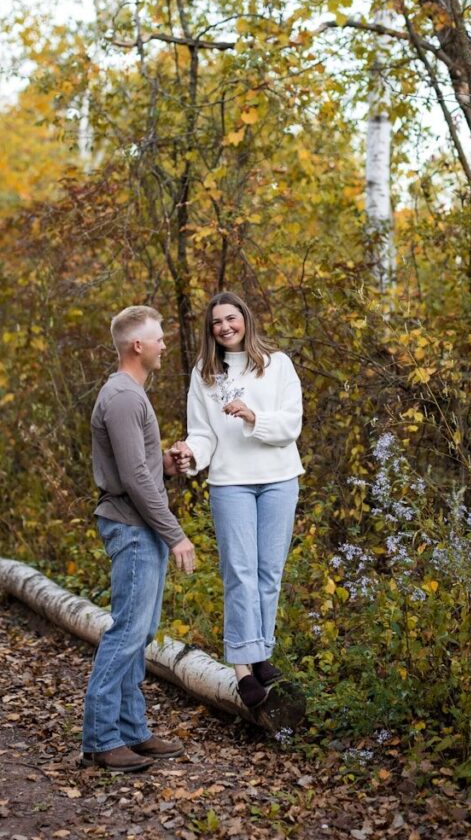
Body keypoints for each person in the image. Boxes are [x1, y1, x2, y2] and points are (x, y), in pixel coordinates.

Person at [172, 292, 303, 709]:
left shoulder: (277, 364)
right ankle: (243, 671)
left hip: (280, 478)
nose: (225, 327)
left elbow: (291, 424)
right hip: (231, 483)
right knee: (239, 572)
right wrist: (191, 454)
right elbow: (203, 433)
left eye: (231, 318)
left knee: (268, 572)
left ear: (245, 319)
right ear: (209, 330)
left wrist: (252, 417)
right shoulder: (204, 374)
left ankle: (260, 653)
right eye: (216, 322)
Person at [81, 305, 196, 772]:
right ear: (137, 346)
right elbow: (132, 478)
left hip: (137, 523)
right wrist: (176, 535)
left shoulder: (130, 394)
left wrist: (166, 464)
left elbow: (141, 470)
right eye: (159, 338)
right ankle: (102, 739)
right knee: (127, 633)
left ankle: (132, 732)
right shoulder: (125, 397)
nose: (165, 344)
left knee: (140, 633)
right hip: (132, 526)